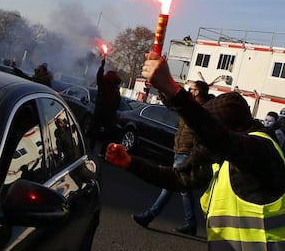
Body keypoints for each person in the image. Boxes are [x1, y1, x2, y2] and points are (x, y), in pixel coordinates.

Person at [105, 51, 285, 250]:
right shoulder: (223, 160)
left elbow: (219, 138)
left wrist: (174, 90)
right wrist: (130, 163)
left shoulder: (261, 151)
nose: (202, 144)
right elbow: (179, 179)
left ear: (230, 128)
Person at [132, 80, 212, 235]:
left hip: (187, 153)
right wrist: (162, 89)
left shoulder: (200, 110)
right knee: (183, 190)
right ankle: (191, 223)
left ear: (197, 92)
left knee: (170, 185)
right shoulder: (191, 107)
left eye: (192, 89)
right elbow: (172, 105)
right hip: (181, 151)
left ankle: (149, 216)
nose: (189, 91)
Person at [89, 58, 122, 157]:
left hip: (99, 111)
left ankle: (91, 149)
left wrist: (102, 66)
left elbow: (98, 77)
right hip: (110, 114)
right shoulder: (116, 90)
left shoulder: (103, 84)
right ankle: (102, 152)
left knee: (95, 130)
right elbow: (117, 104)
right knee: (108, 134)